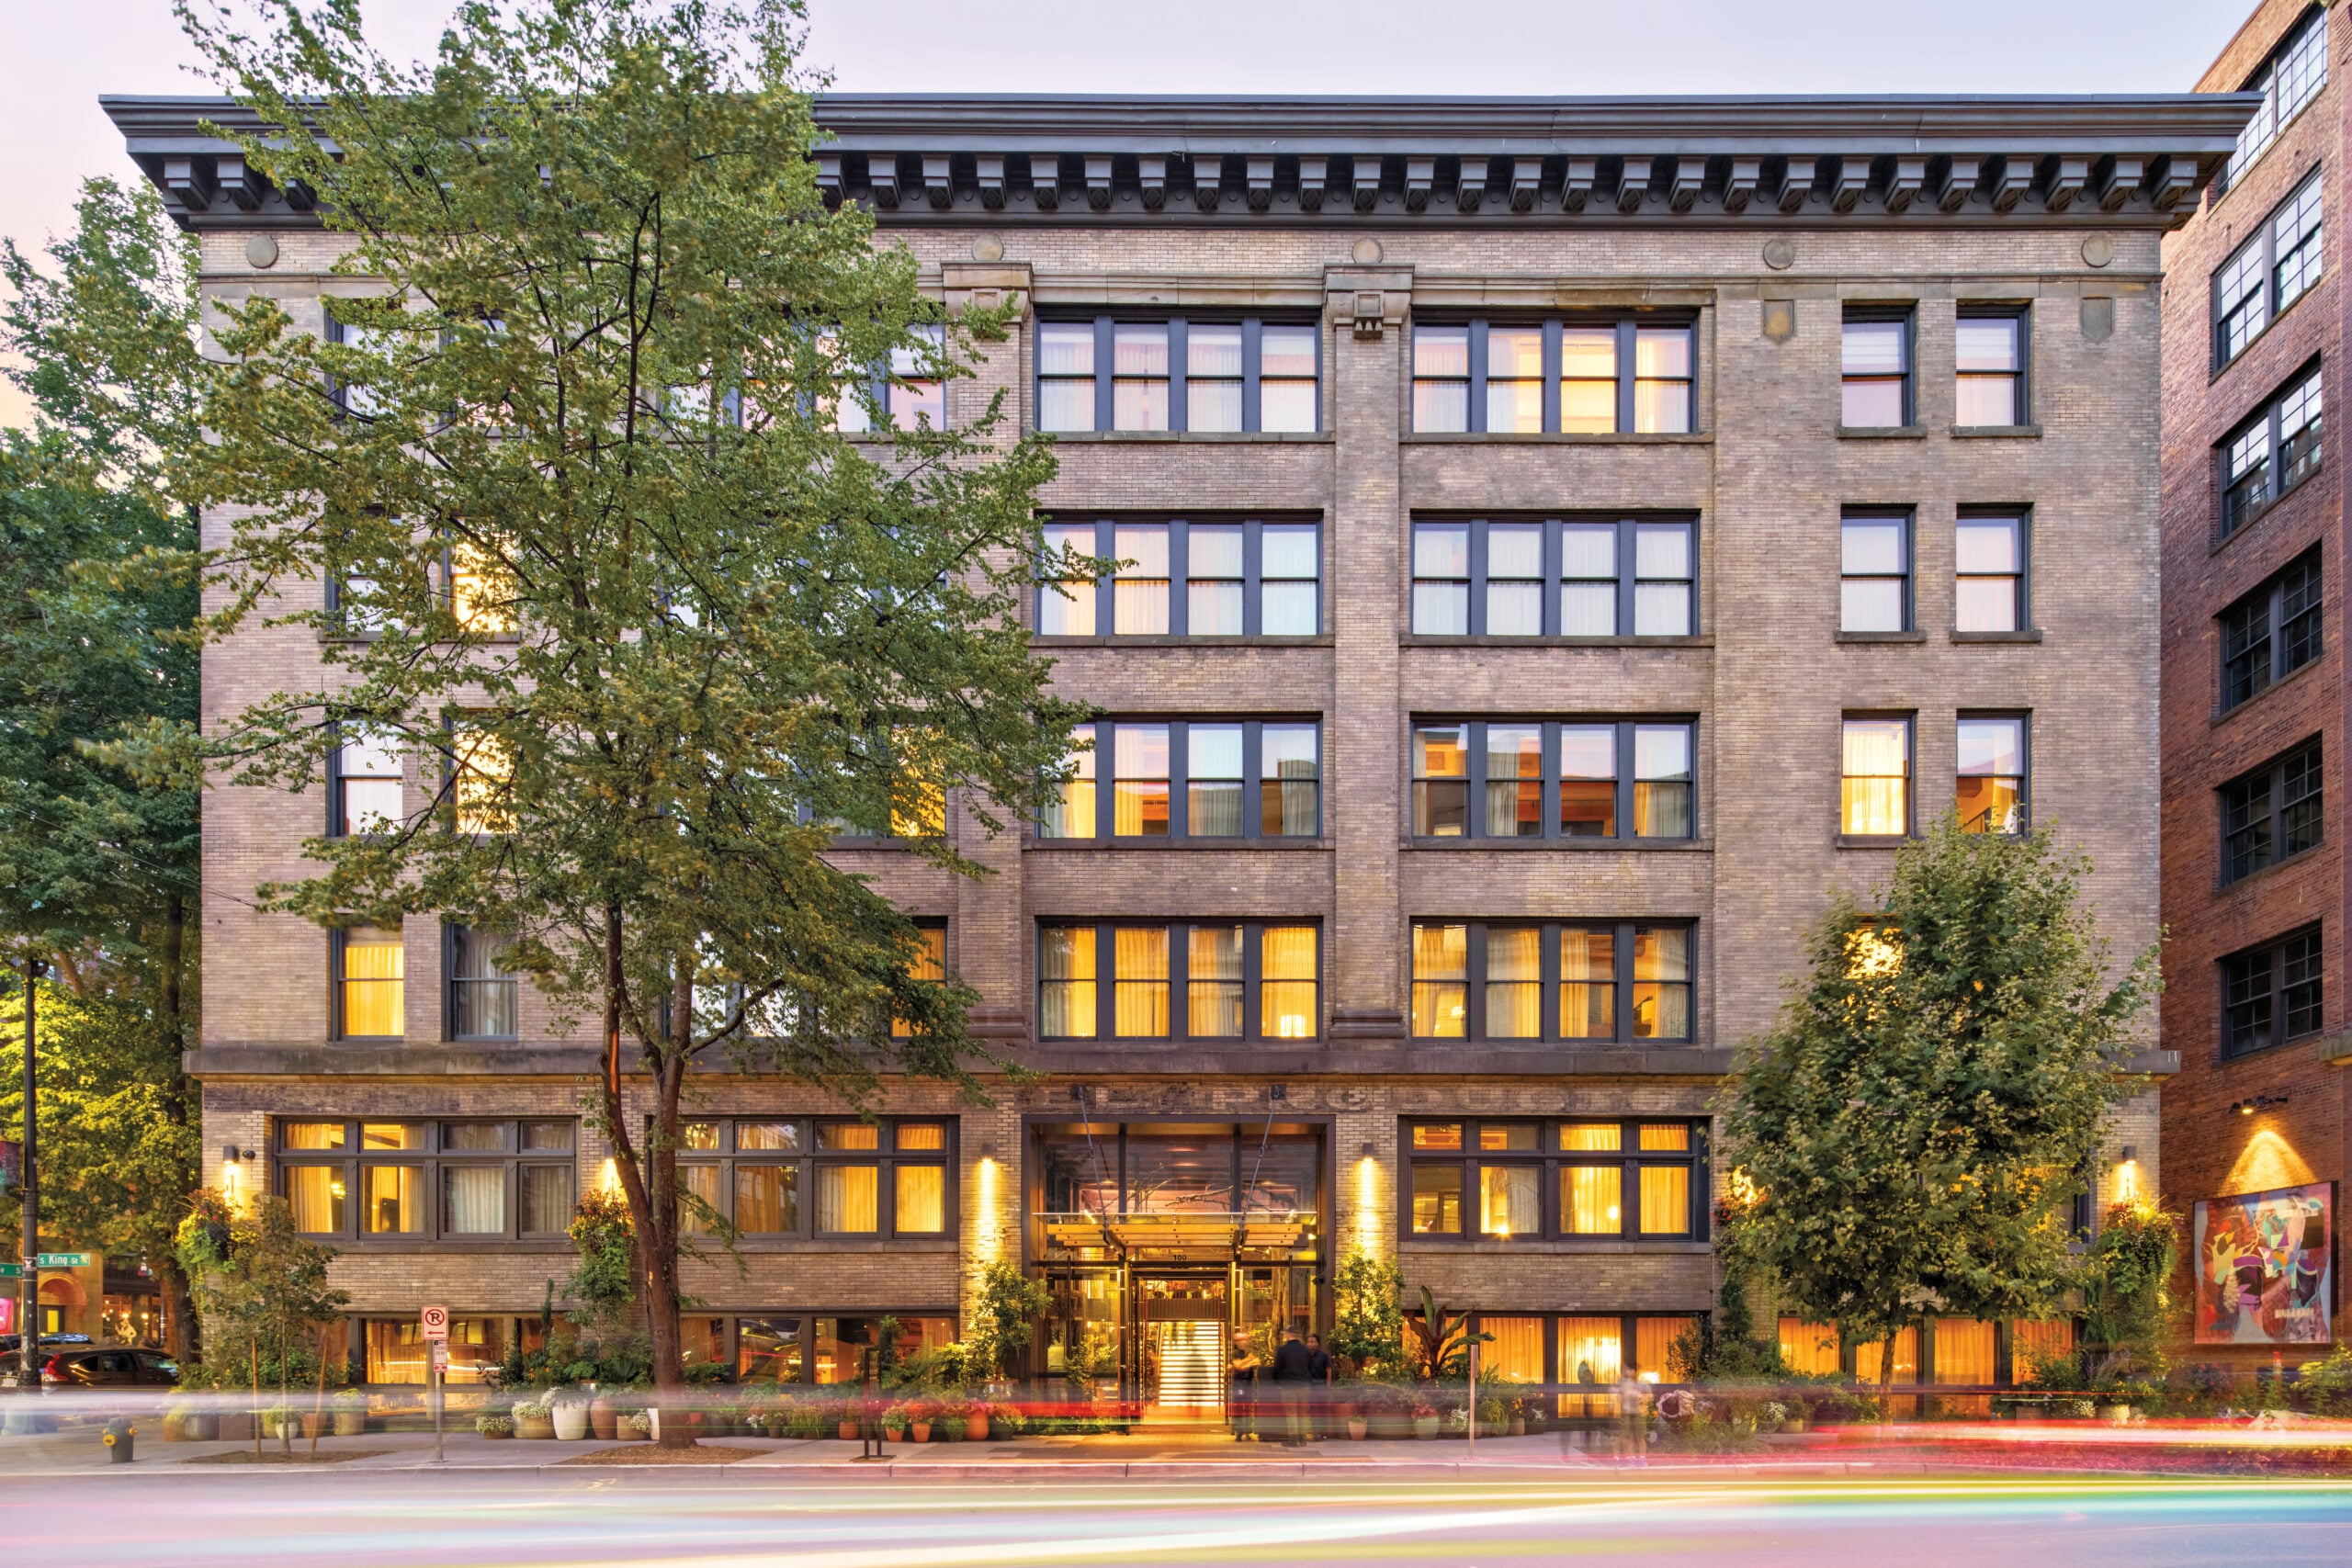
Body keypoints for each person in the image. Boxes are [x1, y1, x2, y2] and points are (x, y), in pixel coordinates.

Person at [1271, 1326, 1316, 1446]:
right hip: (1304, 1385)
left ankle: (1294, 1439)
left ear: (1288, 1334)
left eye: (1284, 1333)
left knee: (1291, 1413)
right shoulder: (1305, 1350)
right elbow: (1310, 1367)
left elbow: (1277, 1368)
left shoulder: (1282, 1350)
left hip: (1289, 1386)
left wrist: (1279, 1382)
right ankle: (1303, 1439)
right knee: (1303, 1412)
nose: (1284, 1335)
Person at [1614, 1364, 1648, 1466]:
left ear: (1634, 1371)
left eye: (1630, 1370)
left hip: (1639, 1413)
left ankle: (1642, 1459)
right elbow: (1618, 1397)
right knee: (1629, 1437)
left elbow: (1649, 1397)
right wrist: (1625, 1397)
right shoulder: (1623, 1384)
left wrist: (1641, 1398)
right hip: (1627, 1413)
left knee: (1640, 1437)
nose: (1628, 1372)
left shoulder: (1642, 1384)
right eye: (1627, 1370)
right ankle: (1631, 1459)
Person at [1229, 1340, 1261, 1441]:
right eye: (1239, 1341)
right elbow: (1239, 1366)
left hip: (1248, 1384)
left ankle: (1247, 1431)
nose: (1242, 1343)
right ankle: (1239, 1432)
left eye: (1244, 1341)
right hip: (1238, 1384)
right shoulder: (1235, 1353)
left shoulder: (1250, 1352)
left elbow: (1258, 1362)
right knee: (1238, 1408)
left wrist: (1245, 1364)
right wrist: (1249, 1360)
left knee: (1248, 1408)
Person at [1305, 1333, 1332, 1438]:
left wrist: (1328, 1387)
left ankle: (1323, 1433)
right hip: (1310, 1387)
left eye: (1313, 1341)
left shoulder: (1324, 1356)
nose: (1311, 1344)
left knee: (1323, 1411)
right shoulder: (1304, 1357)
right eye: (1309, 1342)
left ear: (1317, 1343)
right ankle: (1316, 1433)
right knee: (1313, 1411)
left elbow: (1329, 1371)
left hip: (1322, 1387)